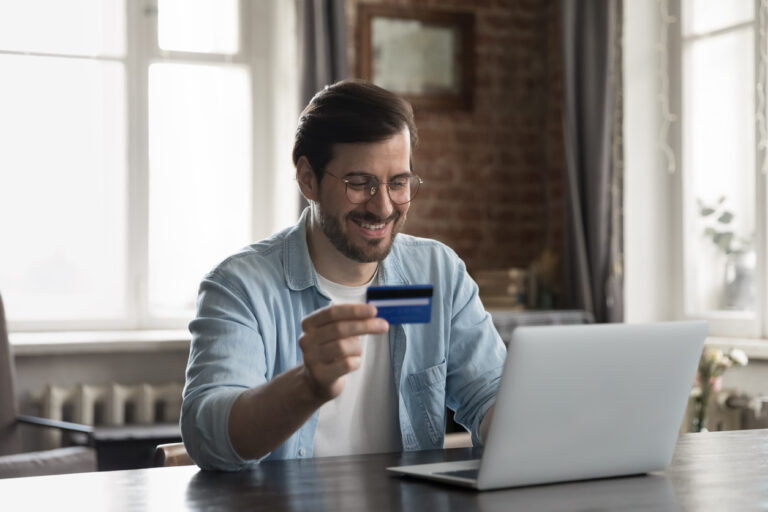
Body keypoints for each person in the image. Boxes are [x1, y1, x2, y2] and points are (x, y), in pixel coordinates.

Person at [181, 79, 507, 471]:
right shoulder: (240, 286)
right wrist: (307, 386)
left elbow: (489, 395)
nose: (383, 206)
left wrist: (531, 425)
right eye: (359, 183)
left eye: (398, 183)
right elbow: (208, 438)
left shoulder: (439, 274)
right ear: (307, 180)